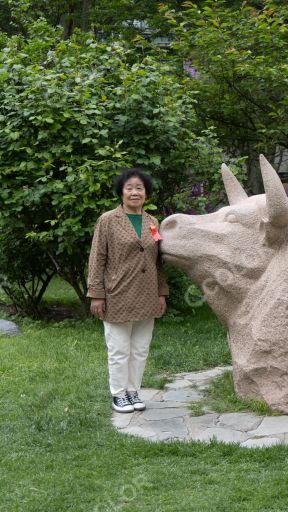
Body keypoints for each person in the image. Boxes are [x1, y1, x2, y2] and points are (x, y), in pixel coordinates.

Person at [87, 168, 168, 413]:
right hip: (117, 294)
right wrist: (96, 294)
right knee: (119, 349)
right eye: (129, 188)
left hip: (147, 294)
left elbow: (159, 261)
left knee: (140, 348)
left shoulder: (153, 222)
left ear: (147, 193)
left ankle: (134, 391)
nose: (135, 192)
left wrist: (161, 292)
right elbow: (97, 258)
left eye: (139, 188)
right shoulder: (108, 220)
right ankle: (119, 394)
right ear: (121, 192)